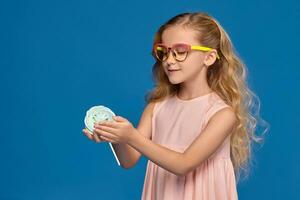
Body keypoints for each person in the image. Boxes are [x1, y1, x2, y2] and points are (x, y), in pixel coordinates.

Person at [83, 12, 269, 200]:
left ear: (209, 57)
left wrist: (131, 136)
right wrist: (115, 136)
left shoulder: (221, 114)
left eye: (180, 52)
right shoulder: (156, 108)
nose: (169, 60)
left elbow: (183, 164)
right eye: (164, 52)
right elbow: (128, 160)